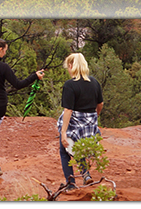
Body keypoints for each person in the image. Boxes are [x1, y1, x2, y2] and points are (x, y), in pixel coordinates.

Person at [0, 38, 45, 177]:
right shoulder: (3, 67)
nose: (5, 52)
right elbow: (18, 84)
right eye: (5, 50)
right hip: (0, 106)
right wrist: (34, 76)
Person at [57, 52, 104, 190]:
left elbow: (68, 110)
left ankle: (70, 184)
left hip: (75, 123)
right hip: (89, 125)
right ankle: (86, 174)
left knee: (64, 150)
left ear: (71, 66)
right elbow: (100, 104)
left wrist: (63, 132)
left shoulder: (70, 85)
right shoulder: (94, 82)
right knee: (78, 148)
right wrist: (94, 118)